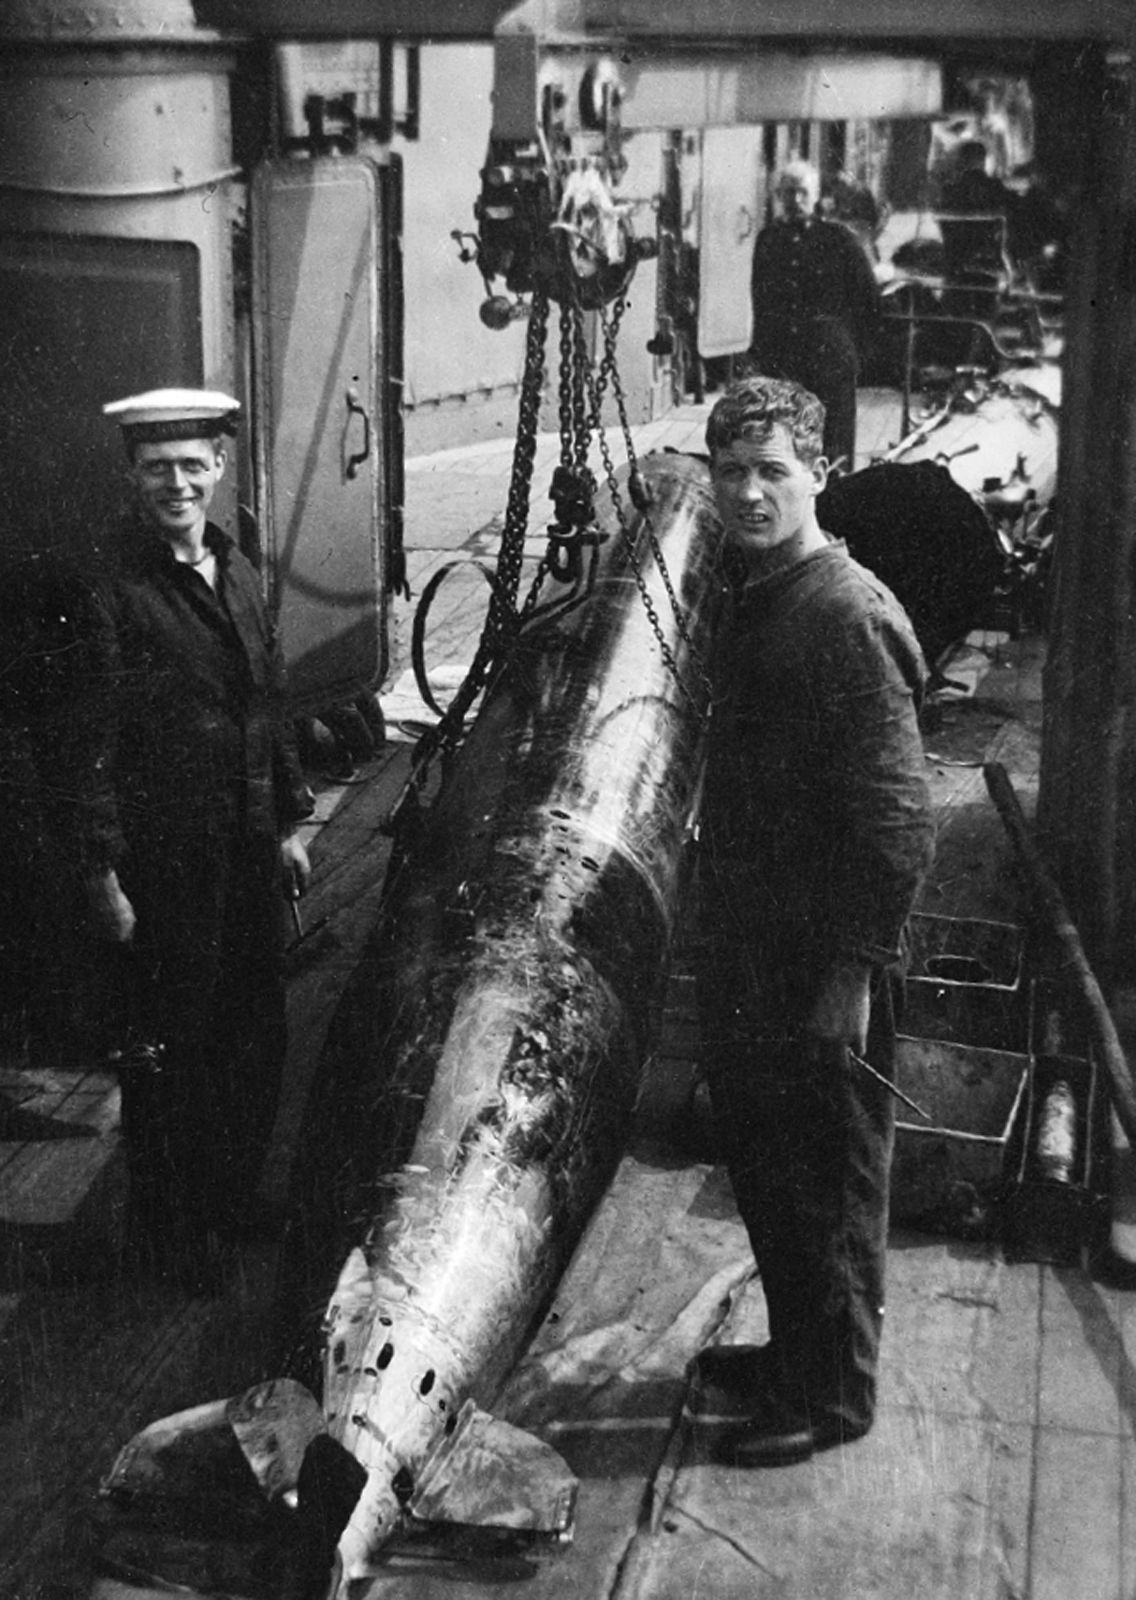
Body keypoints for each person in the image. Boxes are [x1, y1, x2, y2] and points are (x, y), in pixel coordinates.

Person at [691, 376, 935, 1467]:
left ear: (817, 475)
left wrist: (853, 972)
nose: (747, 494)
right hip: (750, 943)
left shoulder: (842, 612)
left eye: (771, 473)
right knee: (766, 1165)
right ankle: (793, 1351)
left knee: (825, 1178)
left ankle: (829, 1395)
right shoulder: (756, 592)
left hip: (818, 957)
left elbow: (895, 818)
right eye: (730, 472)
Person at [82, 388, 313, 1291]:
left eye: (191, 466)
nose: (175, 483)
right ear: (131, 475)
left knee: (254, 1031)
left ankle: (228, 1197)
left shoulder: (239, 569)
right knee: (172, 1048)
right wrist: (100, 871)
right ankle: (169, 1236)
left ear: (219, 469)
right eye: (155, 468)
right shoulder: (109, 589)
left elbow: (270, 701)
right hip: (165, 860)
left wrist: (290, 822)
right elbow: (85, 742)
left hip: (249, 848)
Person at [748, 160, 881, 471]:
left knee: (833, 442)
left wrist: (852, 351)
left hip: (830, 357)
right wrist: (761, 353)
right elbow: (761, 300)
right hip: (785, 357)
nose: (795, 200)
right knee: (786, 438)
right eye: (788, 193)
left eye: (802, 192)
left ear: (816, 196)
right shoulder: (769, 240)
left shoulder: (840, 239)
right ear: (779, 196)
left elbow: (869, 301)